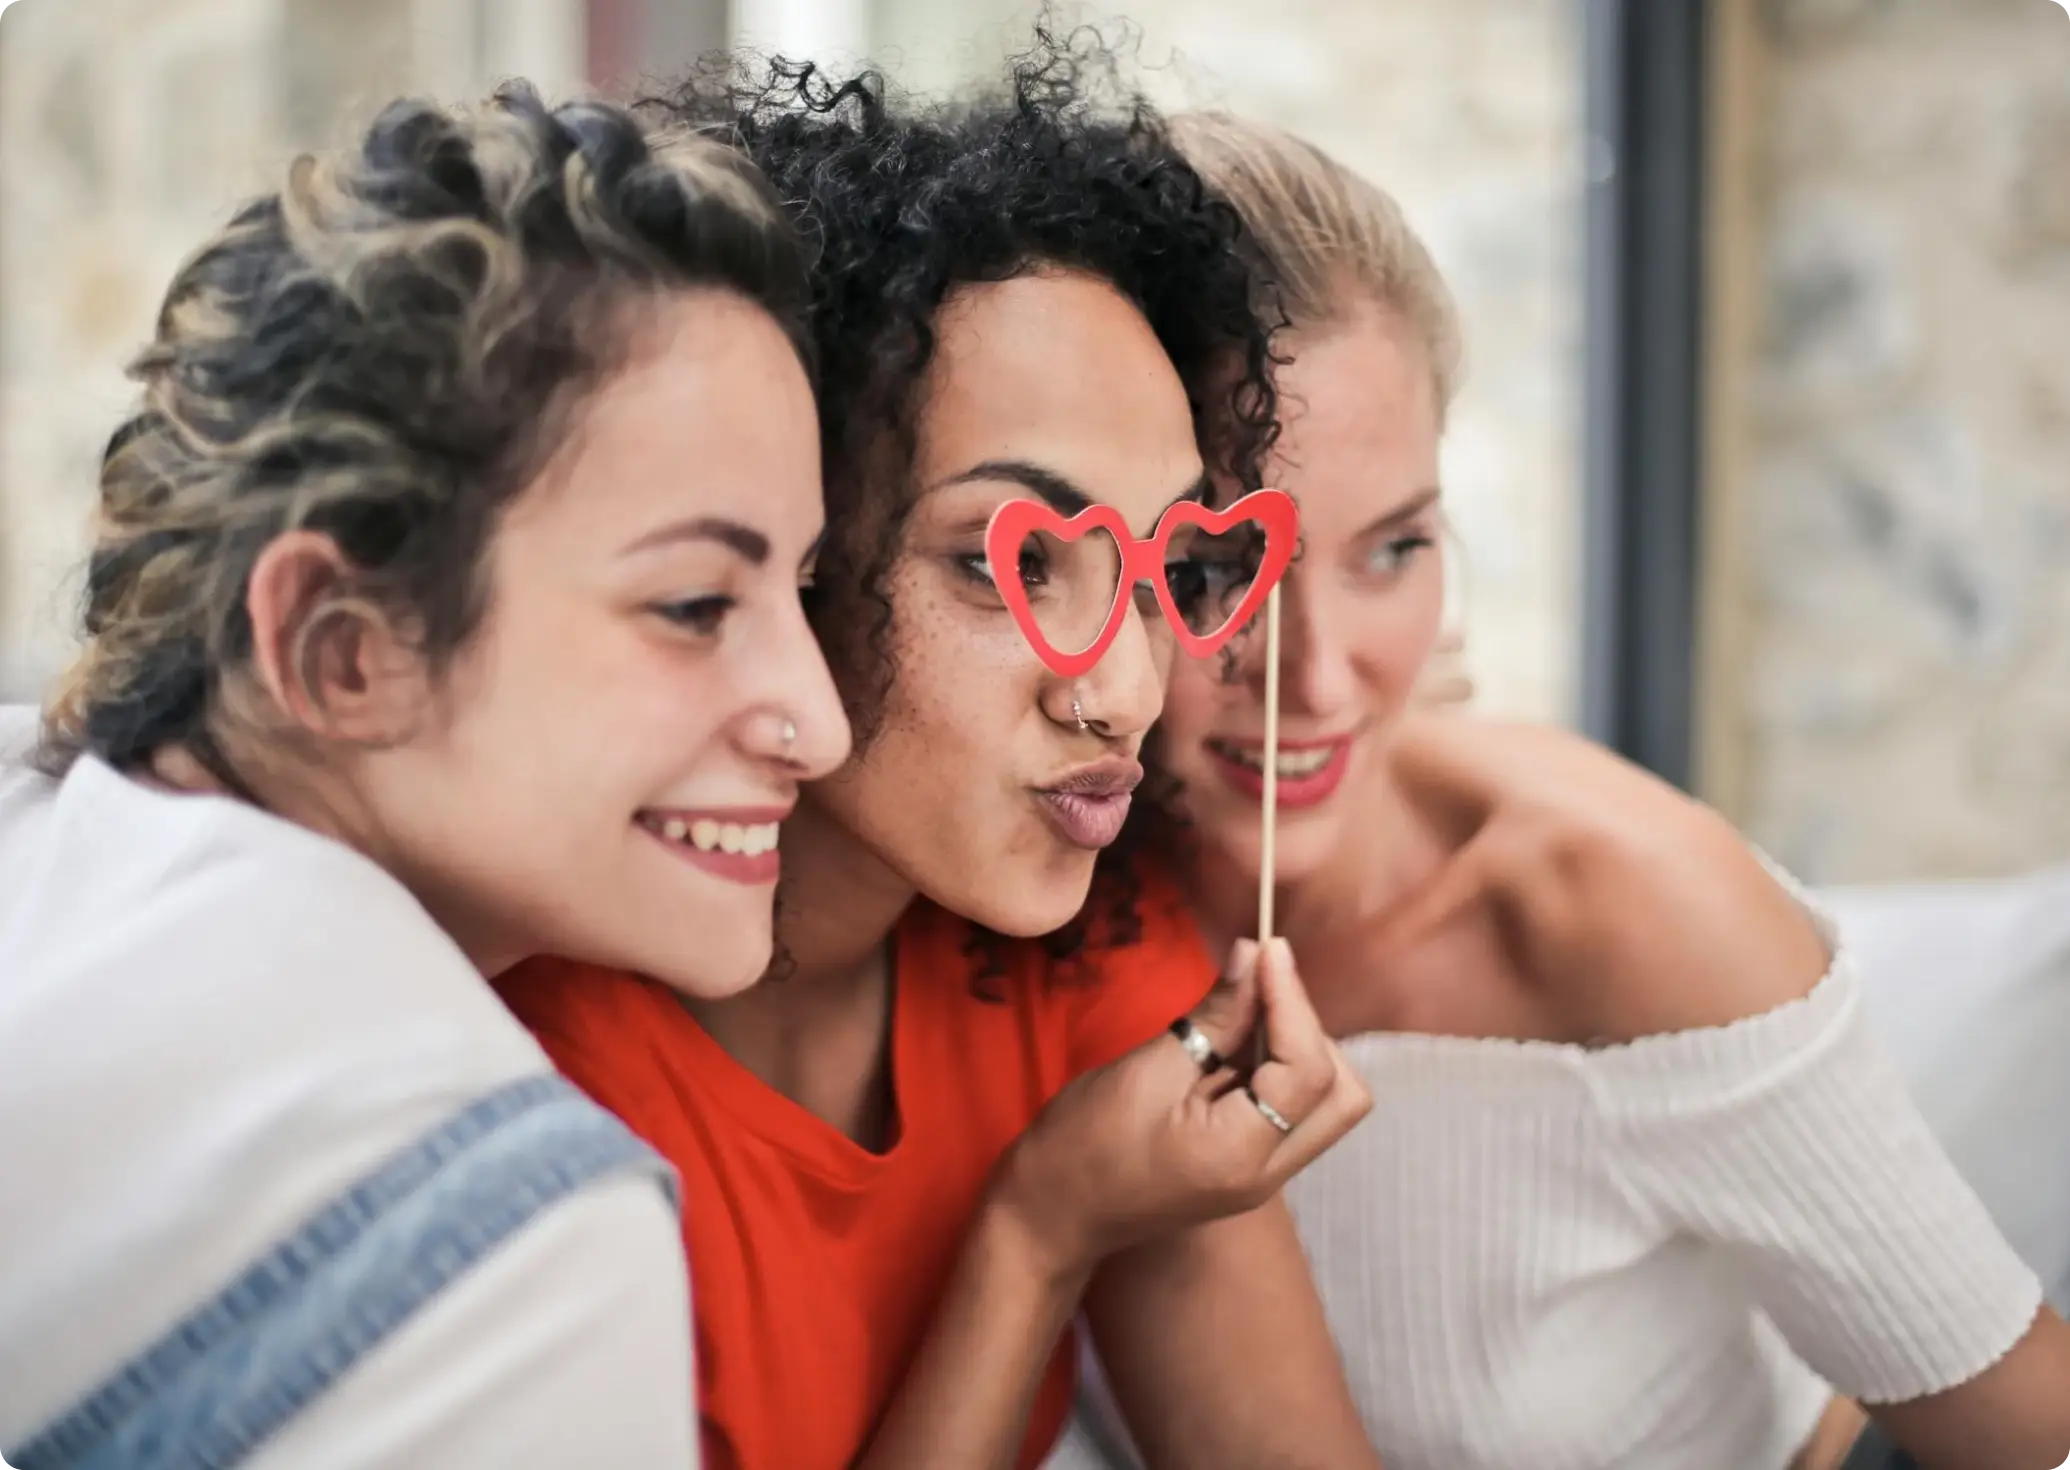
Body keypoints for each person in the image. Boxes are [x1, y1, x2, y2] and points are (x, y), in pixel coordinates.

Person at [1065, 112, 2070, 1470]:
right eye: (1210, 570)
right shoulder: (1039, 908)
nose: (1318, 681)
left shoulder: (1621, 898)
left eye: (1392, 547)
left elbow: (2017, 1415)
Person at [496, 40, 1378, 1470]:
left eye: (1164, 560)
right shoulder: (535, 1070)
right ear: (791, 543)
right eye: (1002, 560)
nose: (1125, 693)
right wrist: (1033, 1237)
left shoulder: (1077, 946)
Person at [0, 85, 849, 1467]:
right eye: (695, 604)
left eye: (803, 591)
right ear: (341, 651)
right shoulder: (520, 1255)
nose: (818, 725)